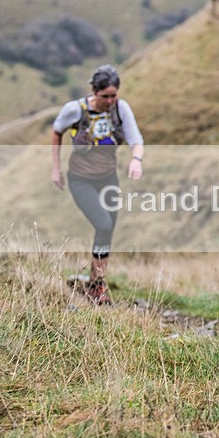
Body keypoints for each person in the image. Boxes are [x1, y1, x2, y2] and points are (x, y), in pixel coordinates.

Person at [51, 64, 144, 304]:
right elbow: (56, 131)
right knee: (102, 223)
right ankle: (96, 285)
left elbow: (136, 140)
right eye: (105, 96)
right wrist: (56, 168)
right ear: (94, 91)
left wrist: (136, 159)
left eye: (114, 95)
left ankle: (96, 284)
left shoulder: (120, 109)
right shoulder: (75, 110)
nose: (110, 101)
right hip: (81, 179)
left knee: (108, 229)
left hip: (108, 178)